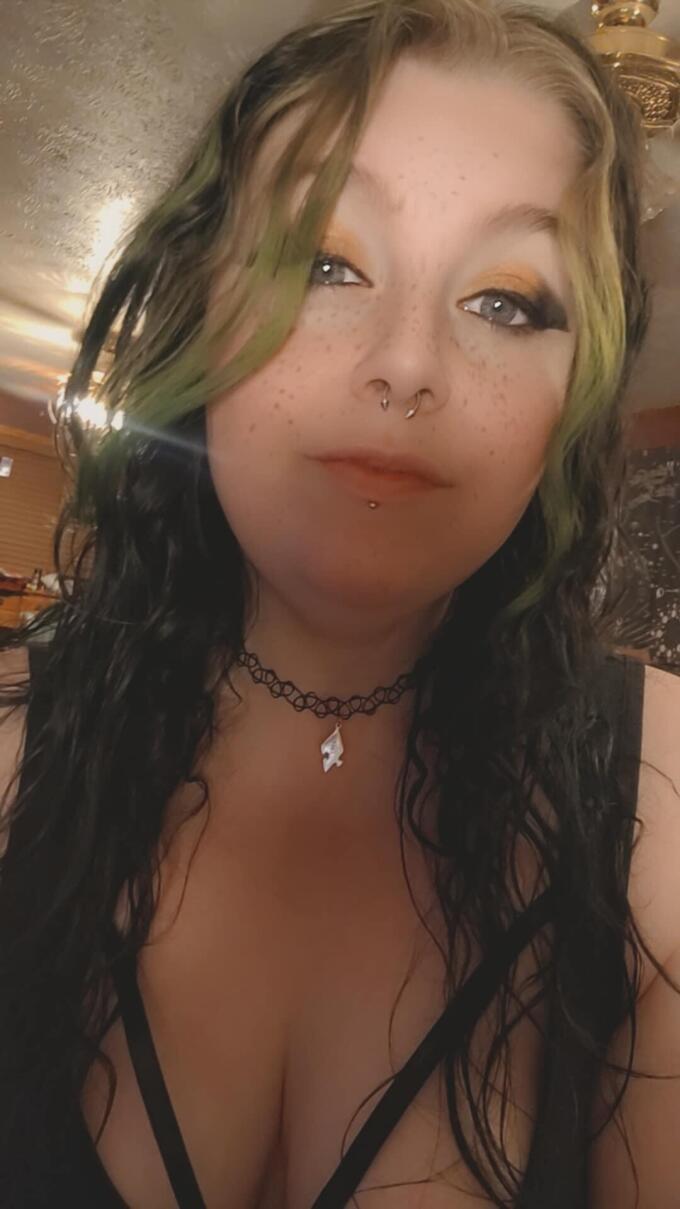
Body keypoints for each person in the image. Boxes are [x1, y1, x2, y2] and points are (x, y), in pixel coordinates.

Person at [1, 0, 680, 1205]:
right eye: (323, 262)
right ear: (198, 312)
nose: (406, 364)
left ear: (572, 399)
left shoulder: (661, 810)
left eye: (505, 302)